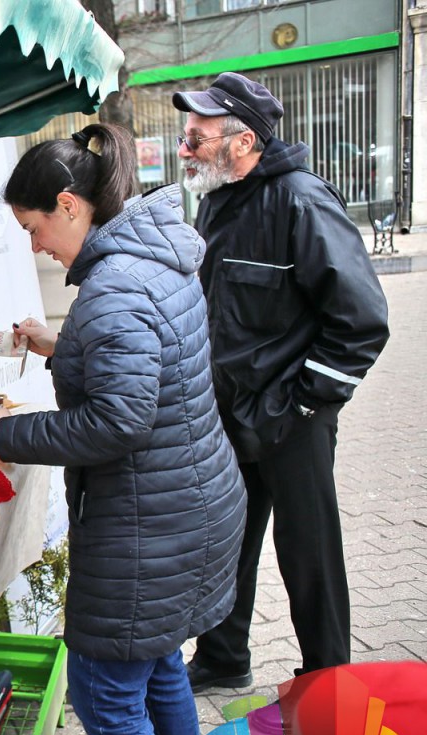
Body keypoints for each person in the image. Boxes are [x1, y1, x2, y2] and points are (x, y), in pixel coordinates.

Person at [0, 123, 246, 735]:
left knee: (103, 692)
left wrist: (7, 433)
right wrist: (60, 344)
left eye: (34, 227)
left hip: (149, 525)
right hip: (190, 500)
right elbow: (147, 361)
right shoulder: (148, 257)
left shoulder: (112, 289)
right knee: (157, 667)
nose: (34, 245)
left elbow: (118, 421)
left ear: (68, 206)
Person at [172, 73, 390, 691]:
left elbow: (362, 322)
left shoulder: (302, 202)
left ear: (243, 142)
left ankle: (328, 680)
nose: (184, 150)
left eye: (196, 139)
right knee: (226, 542)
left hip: (293, 419)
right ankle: (223, 659)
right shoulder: (219, 199)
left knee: (309, 553)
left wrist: (302, 406)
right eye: (186, 137)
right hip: (229, 411)